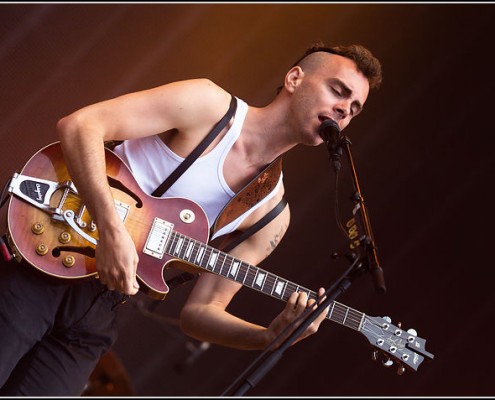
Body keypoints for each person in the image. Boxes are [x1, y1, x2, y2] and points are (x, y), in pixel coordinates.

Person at [0, 42, 382, 395]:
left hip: (98, 313)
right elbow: (80, 125)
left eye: (354, 109)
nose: (344, 110)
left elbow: (199, 314)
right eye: (338, 91)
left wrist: (268, 336)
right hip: (51, 253)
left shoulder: (271, 214)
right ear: (294, 78)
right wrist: (113, 229)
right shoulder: (208, 106)